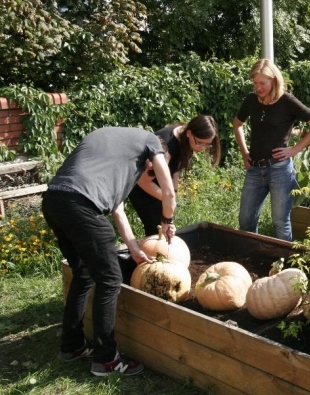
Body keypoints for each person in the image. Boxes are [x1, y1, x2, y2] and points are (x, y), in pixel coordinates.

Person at [42, 127, 177, 376]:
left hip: (54, 200)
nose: (149, 172)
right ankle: (106, 360)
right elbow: (169, 191)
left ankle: (72, 346)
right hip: (83, 205)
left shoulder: (114, 146)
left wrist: (134, 248)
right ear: (154, 155)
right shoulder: (151, 140)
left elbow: (118, 210)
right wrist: (168, 219)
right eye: (151, 168)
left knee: (83, 273)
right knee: (110, 280)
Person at [233, 58, 310, 241]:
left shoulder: (287, 101)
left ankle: (284, 265)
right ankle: (252, 259)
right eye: (255, 83)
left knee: (280, 223)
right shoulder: (251, 100)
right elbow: (237, 125)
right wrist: (245, 153)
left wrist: (295, 150)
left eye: (262, 83)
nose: (258, 88)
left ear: (274, 80)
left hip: (280, 170)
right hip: (255, 169)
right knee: (245, 220)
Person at [129, 115, 221, 237]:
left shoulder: (184, 136)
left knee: (167, 226)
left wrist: (173, 193)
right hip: (142, 189)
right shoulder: (167, 145)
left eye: (207, 144)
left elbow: (176, 168)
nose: (203, 148)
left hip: (160, 185)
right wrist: (168, 198)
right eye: (200, 143)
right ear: (189, 133)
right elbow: (143, 181)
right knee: (157, 231)